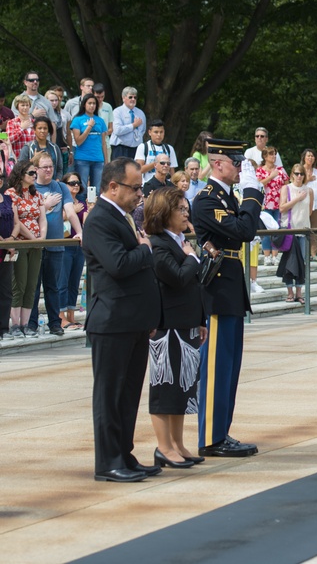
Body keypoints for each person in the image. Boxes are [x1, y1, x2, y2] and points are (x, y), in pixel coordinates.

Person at [82, 157, 162, 482]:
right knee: (109, 395)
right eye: (135, 188)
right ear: (113, 187)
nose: (140, 194)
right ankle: (108, 462)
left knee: (128, 395)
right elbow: (117, 264)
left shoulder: (124, 216)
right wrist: (145, 249)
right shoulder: (99, 219)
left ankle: (124, 454)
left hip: (133, 319)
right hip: (112, 320)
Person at [190, 138, 263, 457]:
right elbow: (245, 230)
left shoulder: (225, 197)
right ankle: (210, 436)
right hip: (218, 290)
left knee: (230, 368)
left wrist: (246, 196)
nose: (240, 169)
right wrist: (253, 194)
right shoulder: (207, 201)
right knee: (216, 368)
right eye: (236, 163)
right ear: (218, 163)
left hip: (231, 288)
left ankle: (222, 432)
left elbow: (245, 227)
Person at [144, 187, 207, 469]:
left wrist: (201, 319)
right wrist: (192, 258)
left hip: (187, 323)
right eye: (180, 209)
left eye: (186, 208)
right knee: (165, 387)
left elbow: (196, 284)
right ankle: (164, 447)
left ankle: (179, 444)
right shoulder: (158, 244)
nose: (186, 213)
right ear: (164, 212)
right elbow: (179, 278)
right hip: (167, 326)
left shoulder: (182, 241)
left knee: (184, 389)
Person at [28, 153, 83, 337]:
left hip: (56, 246)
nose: (49, 170)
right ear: (36, 169)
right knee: (33, 288)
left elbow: (70, 211)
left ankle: (55, 323)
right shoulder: (29, 188)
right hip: (34, 246)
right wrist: (45, 204)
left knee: (53, 287)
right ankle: (31, 323)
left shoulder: (60, 187)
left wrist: (79, 231)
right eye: (45, 167)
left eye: (51, 166)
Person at [6, 161, 46, 338]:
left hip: (36, 244)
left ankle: (26, 324)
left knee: (32, 285)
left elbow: (42, 218)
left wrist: (42, 238)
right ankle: (15, 324)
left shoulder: (37, 194)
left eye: (35, 173)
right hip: (21, 243)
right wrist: (32, 238)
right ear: (21, 173)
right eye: (31, 173)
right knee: (19, 284)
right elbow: (17, 222)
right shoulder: (11, 194)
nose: (34, 176)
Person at [0, 159, 29, 341]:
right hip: (3, 246)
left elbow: (17, 222)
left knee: (5, 290)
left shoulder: (8, 199)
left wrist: (11, 240)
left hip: (7, 251)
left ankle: (3, 328)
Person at [277, 164, 312, 303]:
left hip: (303, 230)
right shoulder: (286, 188)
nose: (299, 176)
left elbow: (309, 211)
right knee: (289, 263)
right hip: (290, 230)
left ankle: (299, 292)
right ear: (292, 174)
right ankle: (290, 292)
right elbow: (282, 208)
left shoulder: (309, 190)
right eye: (297, 173)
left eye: (302, 174)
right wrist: (297, 199)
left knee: (301, 262)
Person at [60, 172, 88, 331]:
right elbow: (56, 218)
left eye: (78, 182)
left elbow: (86, 223)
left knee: (74, 282)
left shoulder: (82, 203)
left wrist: (88, 209)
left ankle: (71, 315)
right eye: (72, 183)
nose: (76, 185)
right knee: (62, 281)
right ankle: (61, 316)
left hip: (79, 246)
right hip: (64, 244)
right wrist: (70, 211)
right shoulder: (62, 201)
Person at [70, 93, 110, 192]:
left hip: (98, 159)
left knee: (96, 189)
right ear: (84, 104)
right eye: (89, 103)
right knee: (82, 188)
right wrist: (89, 127)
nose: (92, 106)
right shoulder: (77, 120)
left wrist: (106, 160)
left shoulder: (100, 120)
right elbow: (78, 141)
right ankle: (82, 207)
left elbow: (103, 143)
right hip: (82, 158)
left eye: (94, 104)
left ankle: (94, 207)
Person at [256, 146, 287, 265]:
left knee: (276, 230)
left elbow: (286, 184)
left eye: (274, 154)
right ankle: (266, 256)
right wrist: (271, 176)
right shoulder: (260, 170)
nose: (273, 156)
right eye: (271, 154)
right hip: (265, 204)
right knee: (265, 230)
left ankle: (275, 255)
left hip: (278, 203)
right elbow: (258, 184)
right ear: (265, 156)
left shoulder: (281, 169)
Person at [300, 148, 317, 261]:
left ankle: (313, 254)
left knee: (316, 229)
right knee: (304, 227)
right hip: (304, 203)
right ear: (304, 157)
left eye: (312, 156)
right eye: (308, 155)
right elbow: (295, 185)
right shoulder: (299, 169)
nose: (310, 158)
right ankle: (303, 253)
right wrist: (308, 179)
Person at [135, 120, 178, 184]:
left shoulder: (169, 148)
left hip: (165, 185)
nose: (159, 135)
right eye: (156, 132)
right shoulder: (143, 147)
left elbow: (172, 171)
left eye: (161, 132)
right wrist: (157, 164)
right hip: (148, 183)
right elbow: (139, 169)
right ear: (149, 132)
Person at [110, 86, 146, 160]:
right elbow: (117, 130)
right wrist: (133, 125)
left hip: (136, 149)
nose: (133, 99)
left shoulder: (140, 113)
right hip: (121, 149)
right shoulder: (117, 112)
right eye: (130, 97)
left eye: (135, 97)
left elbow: (143, 130)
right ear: (123, 98)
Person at [7, 94, 37, 160]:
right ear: (17, 107)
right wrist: (21, 128)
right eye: (22, 105)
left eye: (27, 105)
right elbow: (9, 140)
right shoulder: (12, 122)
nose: (25, 107)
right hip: (18, 160)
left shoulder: (35, 122)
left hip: (34, 159)